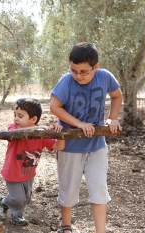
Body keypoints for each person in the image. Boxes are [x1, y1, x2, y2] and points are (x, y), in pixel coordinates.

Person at [50, 42, 122, 233]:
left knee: (99, 188)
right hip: (70, 146)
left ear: (95, 67)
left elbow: (116, 95)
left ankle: (101, 230)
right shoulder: (66, 81)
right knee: (69, 188)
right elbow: (54, 107)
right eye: (74, 70)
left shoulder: (105, 77)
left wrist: (112, 118)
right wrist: (79, 124)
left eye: (84, 72)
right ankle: (66, 226)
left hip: (97, 144)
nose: (78, 75)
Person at [0, 98, 65, 226]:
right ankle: (4, 201)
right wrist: (39, 129)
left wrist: (58, 134)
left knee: (26, 199)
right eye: (15, 115)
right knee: (18, 198)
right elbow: (13, 134)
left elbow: (59, 147)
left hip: (28, 173)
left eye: (20, 116)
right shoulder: (13, 129)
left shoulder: (42, 134)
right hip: (12, 172)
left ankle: (17, 216)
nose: (16, 118)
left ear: (33, 119)